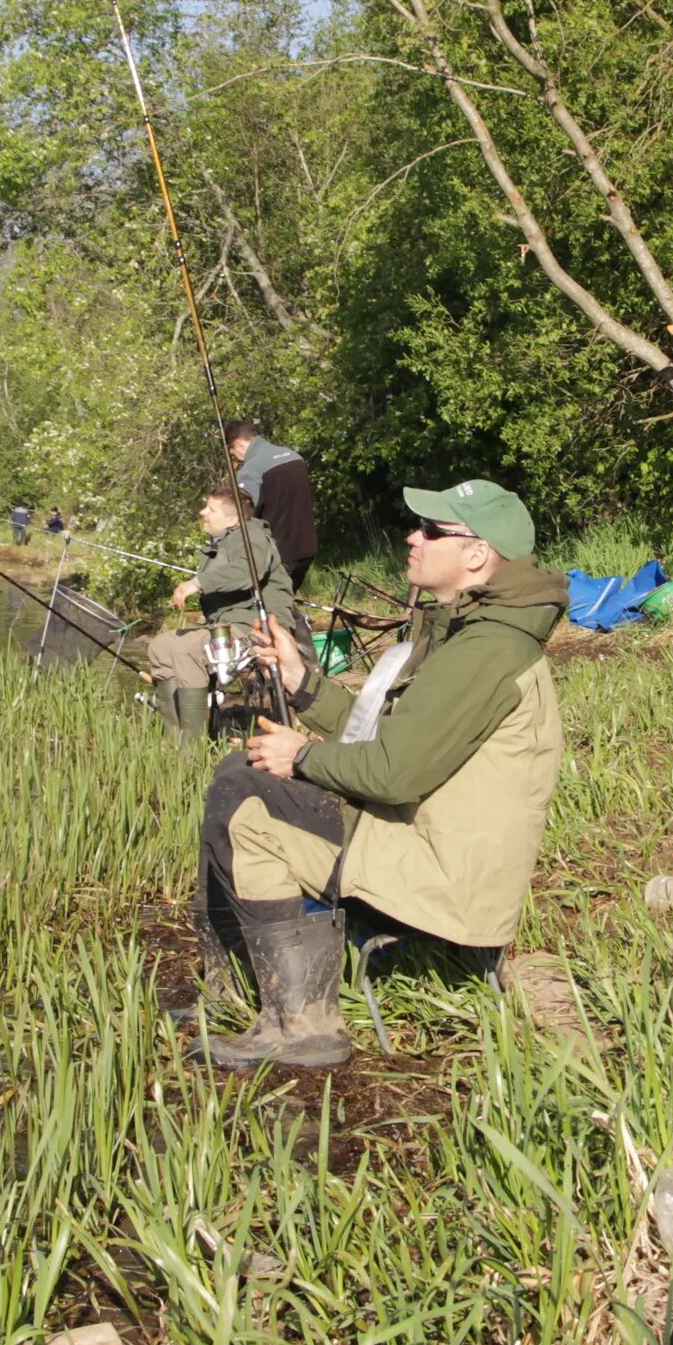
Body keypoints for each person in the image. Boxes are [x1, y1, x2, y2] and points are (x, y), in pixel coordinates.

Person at [183, 478, 565, 1070]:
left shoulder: (487, 648)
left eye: (432, 530)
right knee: (240, 770)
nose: (414, 537)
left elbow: (390, 774)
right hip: (414, 835)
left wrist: (302, 757)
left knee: (248, 808)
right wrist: (301, 683)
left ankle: (304, 1024)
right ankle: (233, 988)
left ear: (476, 554)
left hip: (440, 877)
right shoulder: (462, 629)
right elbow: (383, 730)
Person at [144, 487, 300, 739]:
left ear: (232, 519)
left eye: (210, 508)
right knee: (160, 646)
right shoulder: (225, 541)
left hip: (257, 628)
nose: (202, 512)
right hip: (226, 626)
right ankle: (173, 740)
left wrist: (196, 584)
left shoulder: (252, 537)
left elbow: (248, 571)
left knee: (186, 650)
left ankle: (191, 749)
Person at [224, 420, 319, 591]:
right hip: (307, 548)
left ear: (238, 444)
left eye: (233, 455)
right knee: (285, 604)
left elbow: (243, 516)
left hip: (279, 556)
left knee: (269, 611)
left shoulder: (251, 470)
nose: (236, 460)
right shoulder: (294, 456)